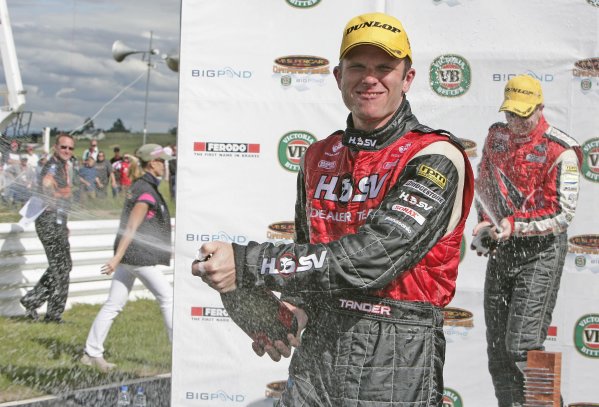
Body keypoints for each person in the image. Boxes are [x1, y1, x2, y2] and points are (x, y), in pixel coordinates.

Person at [192, 12, 474, 406]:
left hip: (395, 356)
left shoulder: (434, 155)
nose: (369, 78)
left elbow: (369, 259)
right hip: (318, 355)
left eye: (384, 67)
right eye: (357, 66)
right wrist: (283, 311)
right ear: (339, 76)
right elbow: (314, 261)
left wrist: (249, 263)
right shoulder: (318, 155)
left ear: (407, 78)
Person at [472, 75, 581, 407]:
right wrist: (485, 224)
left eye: (523, 114)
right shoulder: (497, 136)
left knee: (523, 346)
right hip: (504, 249)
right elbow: (485, 183)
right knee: (498, 351)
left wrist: (513, 225)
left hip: (541, 253)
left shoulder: (561, 149)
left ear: (540, 108)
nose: (516, 122)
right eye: (510, 114)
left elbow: (562, 214)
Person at [81, 144, 173, 372]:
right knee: (168, 299)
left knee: (114, 304)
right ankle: (179, 354)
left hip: (130, 258)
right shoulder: (146, 190)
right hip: (138, 258)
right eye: (162, 161)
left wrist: (119, 258)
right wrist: (116, 258)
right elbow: (131, 228)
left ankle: (91, 353)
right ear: (152, 163)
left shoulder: (146, 186)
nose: (165, 165)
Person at [20, 133, 76, 323]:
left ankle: (33, 301)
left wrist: (64, 223)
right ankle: (52, 315)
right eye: (63, 147)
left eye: (70, 148)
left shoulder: (61, 165)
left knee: (62, 265)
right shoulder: (53, 165)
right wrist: (59, 194)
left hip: (56, 222)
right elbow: (46, 185)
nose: (67, 151)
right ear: (55, 147)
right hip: (49, 223)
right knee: (62, 266)